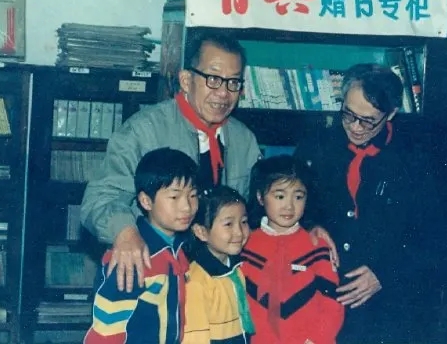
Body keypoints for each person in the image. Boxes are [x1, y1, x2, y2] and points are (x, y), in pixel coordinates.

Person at [80, 35, 261, 292]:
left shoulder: (244, 140)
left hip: (215, 281)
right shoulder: (143, 131)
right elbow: (99, 199)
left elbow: (259, 209)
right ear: (186, 80)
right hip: (153, 273)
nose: (223, 93)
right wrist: (124, 232)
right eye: (213, 79)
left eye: (233, 83)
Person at [294, 63, 443, 342]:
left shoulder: (414, 160)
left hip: (386, 309)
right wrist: (310, 225)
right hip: (320, 296)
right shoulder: (315, 147)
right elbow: (288, 207)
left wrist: (384, 274)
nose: (355, 127)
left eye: (368, 120)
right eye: (348, 114)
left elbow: (433, 240)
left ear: (391, 114)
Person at [84, 147, 199, 344]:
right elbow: (106, 330)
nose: (187, 207)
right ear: (146, 201)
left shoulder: (178, 249)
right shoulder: (133, 256)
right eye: (174, 197)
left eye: (193, 195)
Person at [241, 155, 344, 344]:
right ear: (260, 197)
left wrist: (316, 339)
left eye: (298, 197)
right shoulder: (244, 243)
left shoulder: (317, 245)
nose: (289, 206)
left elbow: (332, 303)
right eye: (280, 196)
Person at [183, 185, 254, 344]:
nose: (239, 232)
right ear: (201, 232)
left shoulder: (237, 268)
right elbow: (195, 338)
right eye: (228, 224)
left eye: (243, 222)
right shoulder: (196, 282)